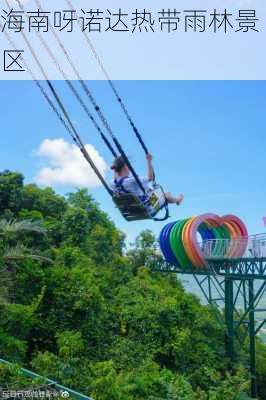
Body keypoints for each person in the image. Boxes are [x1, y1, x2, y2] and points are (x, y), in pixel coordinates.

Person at [111, 154, 184, 213]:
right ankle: (178, 199)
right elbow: (150, 178)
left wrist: (117, 163)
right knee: (166, 195)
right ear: (125, 167)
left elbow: (117, 175)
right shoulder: (131, 181)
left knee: (157, 193)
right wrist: (149, 161)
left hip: (131, 209)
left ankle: (174, 199)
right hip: (147, 208)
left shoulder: (113, 183)